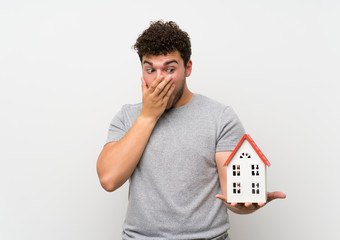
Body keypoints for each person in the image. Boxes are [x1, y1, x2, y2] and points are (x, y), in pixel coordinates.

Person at [97, 20, 286, 240]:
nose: (159, 80)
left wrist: (245, 204)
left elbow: (232, 194)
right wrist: (148, 116)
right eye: (150, 70)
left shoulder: (220, 117)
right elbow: (109, 179)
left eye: (169, 69)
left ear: (187, 68)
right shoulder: (128, 117)